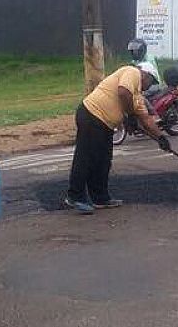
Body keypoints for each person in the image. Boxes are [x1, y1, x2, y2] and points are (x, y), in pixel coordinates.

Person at [65, 64, 170, 214]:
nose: (149, 87)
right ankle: (75, 196)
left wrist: (161, 138)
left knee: (103, 160)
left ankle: (100, 198)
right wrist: (129, 116)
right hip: (91, 114)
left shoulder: (138, 98)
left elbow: (146, 120)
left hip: (105, 124)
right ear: (146, 75)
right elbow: (122, 92)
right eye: (151, 82)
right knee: (86, 157)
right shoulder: (132, 72)